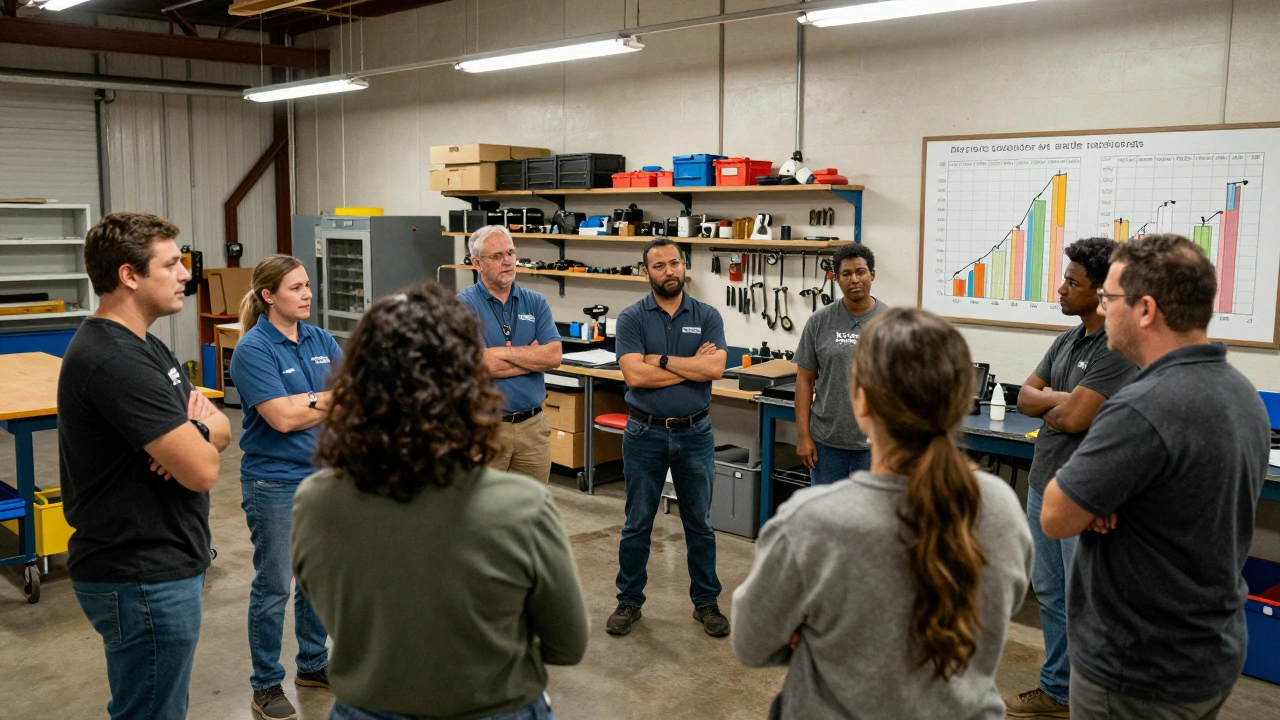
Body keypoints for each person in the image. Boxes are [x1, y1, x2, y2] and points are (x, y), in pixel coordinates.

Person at [291, 282, 587, 720]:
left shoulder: (317, 500)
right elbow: (567, 643)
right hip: (493, 706)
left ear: (358, 381)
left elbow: (332, 609)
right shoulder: (521, 505)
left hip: (369, 706)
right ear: (468, 384)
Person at [731, 307, 1033, 720]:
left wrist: (817, 633)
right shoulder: (999, 507)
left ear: (862, 402)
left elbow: (751, 642)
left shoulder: (813, 521)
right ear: (962, 401)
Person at [1041, 234, 1271, 720]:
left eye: (1110, 298)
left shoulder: (1142, 408)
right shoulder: (1241, 394)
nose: (1103, 309)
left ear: (1144, 309)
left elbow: (1057, 515)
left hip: (1136, 668)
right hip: (1208, 654)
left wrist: (1096, 502)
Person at [58, 212, 231, 720]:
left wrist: (191, 435)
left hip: (161, 566)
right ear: (129, 276)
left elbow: (219, 427)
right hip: (141, 575)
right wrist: (191, 443)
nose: (186, 274)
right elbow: (202, 470)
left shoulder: (145, 345)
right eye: (173, 264)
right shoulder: (116, 360)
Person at [1004, 237, 1136, 719]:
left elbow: (1078, 419)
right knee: (1053, 595)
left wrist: (1060, 402)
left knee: (1089, 602)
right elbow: (1022, 398)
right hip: (1044, 484)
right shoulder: (1066, 340)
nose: (1060, 289)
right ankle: (1058, 690)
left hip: (1086, 495)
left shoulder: (1117, 350)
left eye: (1071, 282)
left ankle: (1095, 699)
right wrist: (1066, 400)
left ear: (1101, 292)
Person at [227, 254, 343, 720]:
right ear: (268, 296)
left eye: (307, 286)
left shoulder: (320, 338)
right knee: (275, 585)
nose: (307, 294)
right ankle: (265, 684)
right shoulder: (254, 349)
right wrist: (321, 401)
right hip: (273, 482)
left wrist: (309, 401)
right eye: (295, 288)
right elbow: (281, 418)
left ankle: (313, 664)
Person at [606, 237, 730, 638]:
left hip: (696, 431)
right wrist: (693, 364)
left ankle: (706, 603)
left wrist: (659, 359)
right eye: (658, 266)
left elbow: (715, 371)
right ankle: (629, 601)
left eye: (674, 263)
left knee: (700, 523)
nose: (669, 271)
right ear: (646, 273)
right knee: (637, 522)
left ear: (683, 265)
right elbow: (634, 376)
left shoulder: (707, 315)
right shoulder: (631, 318)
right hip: (645, 433)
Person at [457, 225, 562, 483]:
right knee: (485, 515)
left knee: (531, 515)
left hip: (533, 428)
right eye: (496, 256)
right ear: (477, 263)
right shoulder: (463, 305)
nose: (507, 261)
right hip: (486, 429)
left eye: (511, 253)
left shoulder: (535, 301)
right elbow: (479, 366)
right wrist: (530, 356)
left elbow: (553, 356)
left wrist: (499, 354)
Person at [795, 243, 885, 485]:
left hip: (875, 446)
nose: (854, 279)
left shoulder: (891, 324)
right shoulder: (819, 322)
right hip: (826, 444)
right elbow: (804, 380)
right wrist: (804, 437)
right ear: (836, 279)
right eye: (846, 274)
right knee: (827, 517)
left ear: (872, 275)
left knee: (871, 519)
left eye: (861, 272)